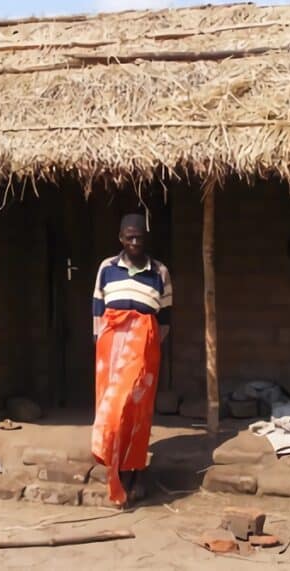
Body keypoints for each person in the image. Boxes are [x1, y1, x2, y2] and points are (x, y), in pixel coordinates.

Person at [90, 213, 172, 506]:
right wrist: (104, 346)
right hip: (110, 348)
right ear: (121, 238)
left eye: (139, 236)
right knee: (111, 411)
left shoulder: (159, 271)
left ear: (146, 237)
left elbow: (165, 318)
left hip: (143, 351)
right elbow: (98, 310)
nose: (134, 242)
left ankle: (133, 469)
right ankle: (118, 469)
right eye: (129, 236)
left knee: (136, 411)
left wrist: (144, 344)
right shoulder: (107, 269)